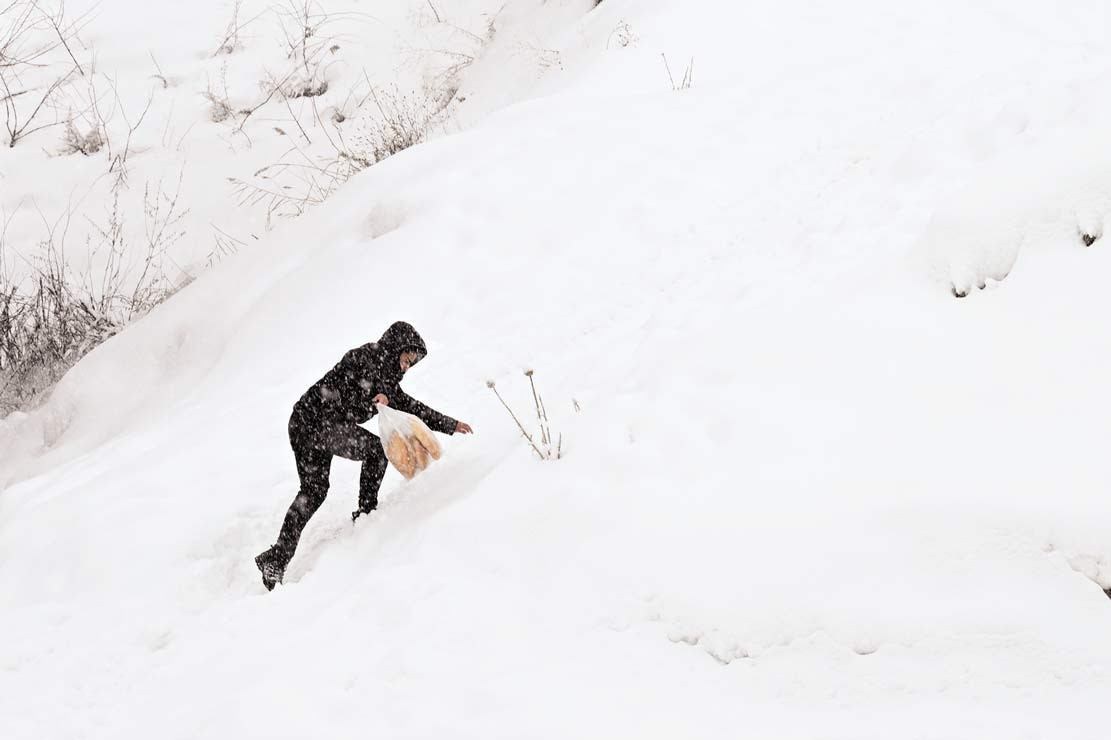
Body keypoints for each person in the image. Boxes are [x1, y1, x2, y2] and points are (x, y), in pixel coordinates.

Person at [255, 321, 473, 591]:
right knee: (375, 452)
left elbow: (414, 408)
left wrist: (451, 425)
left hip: (311, 426)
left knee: (314, 490)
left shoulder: (389, 385)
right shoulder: (364, 356)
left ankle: (275, 558)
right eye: (405, 360)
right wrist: (374, 392)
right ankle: (366, 514)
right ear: (394, 349)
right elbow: (357, 372)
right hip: (310, 421)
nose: (406, 367)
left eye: (410, 364)